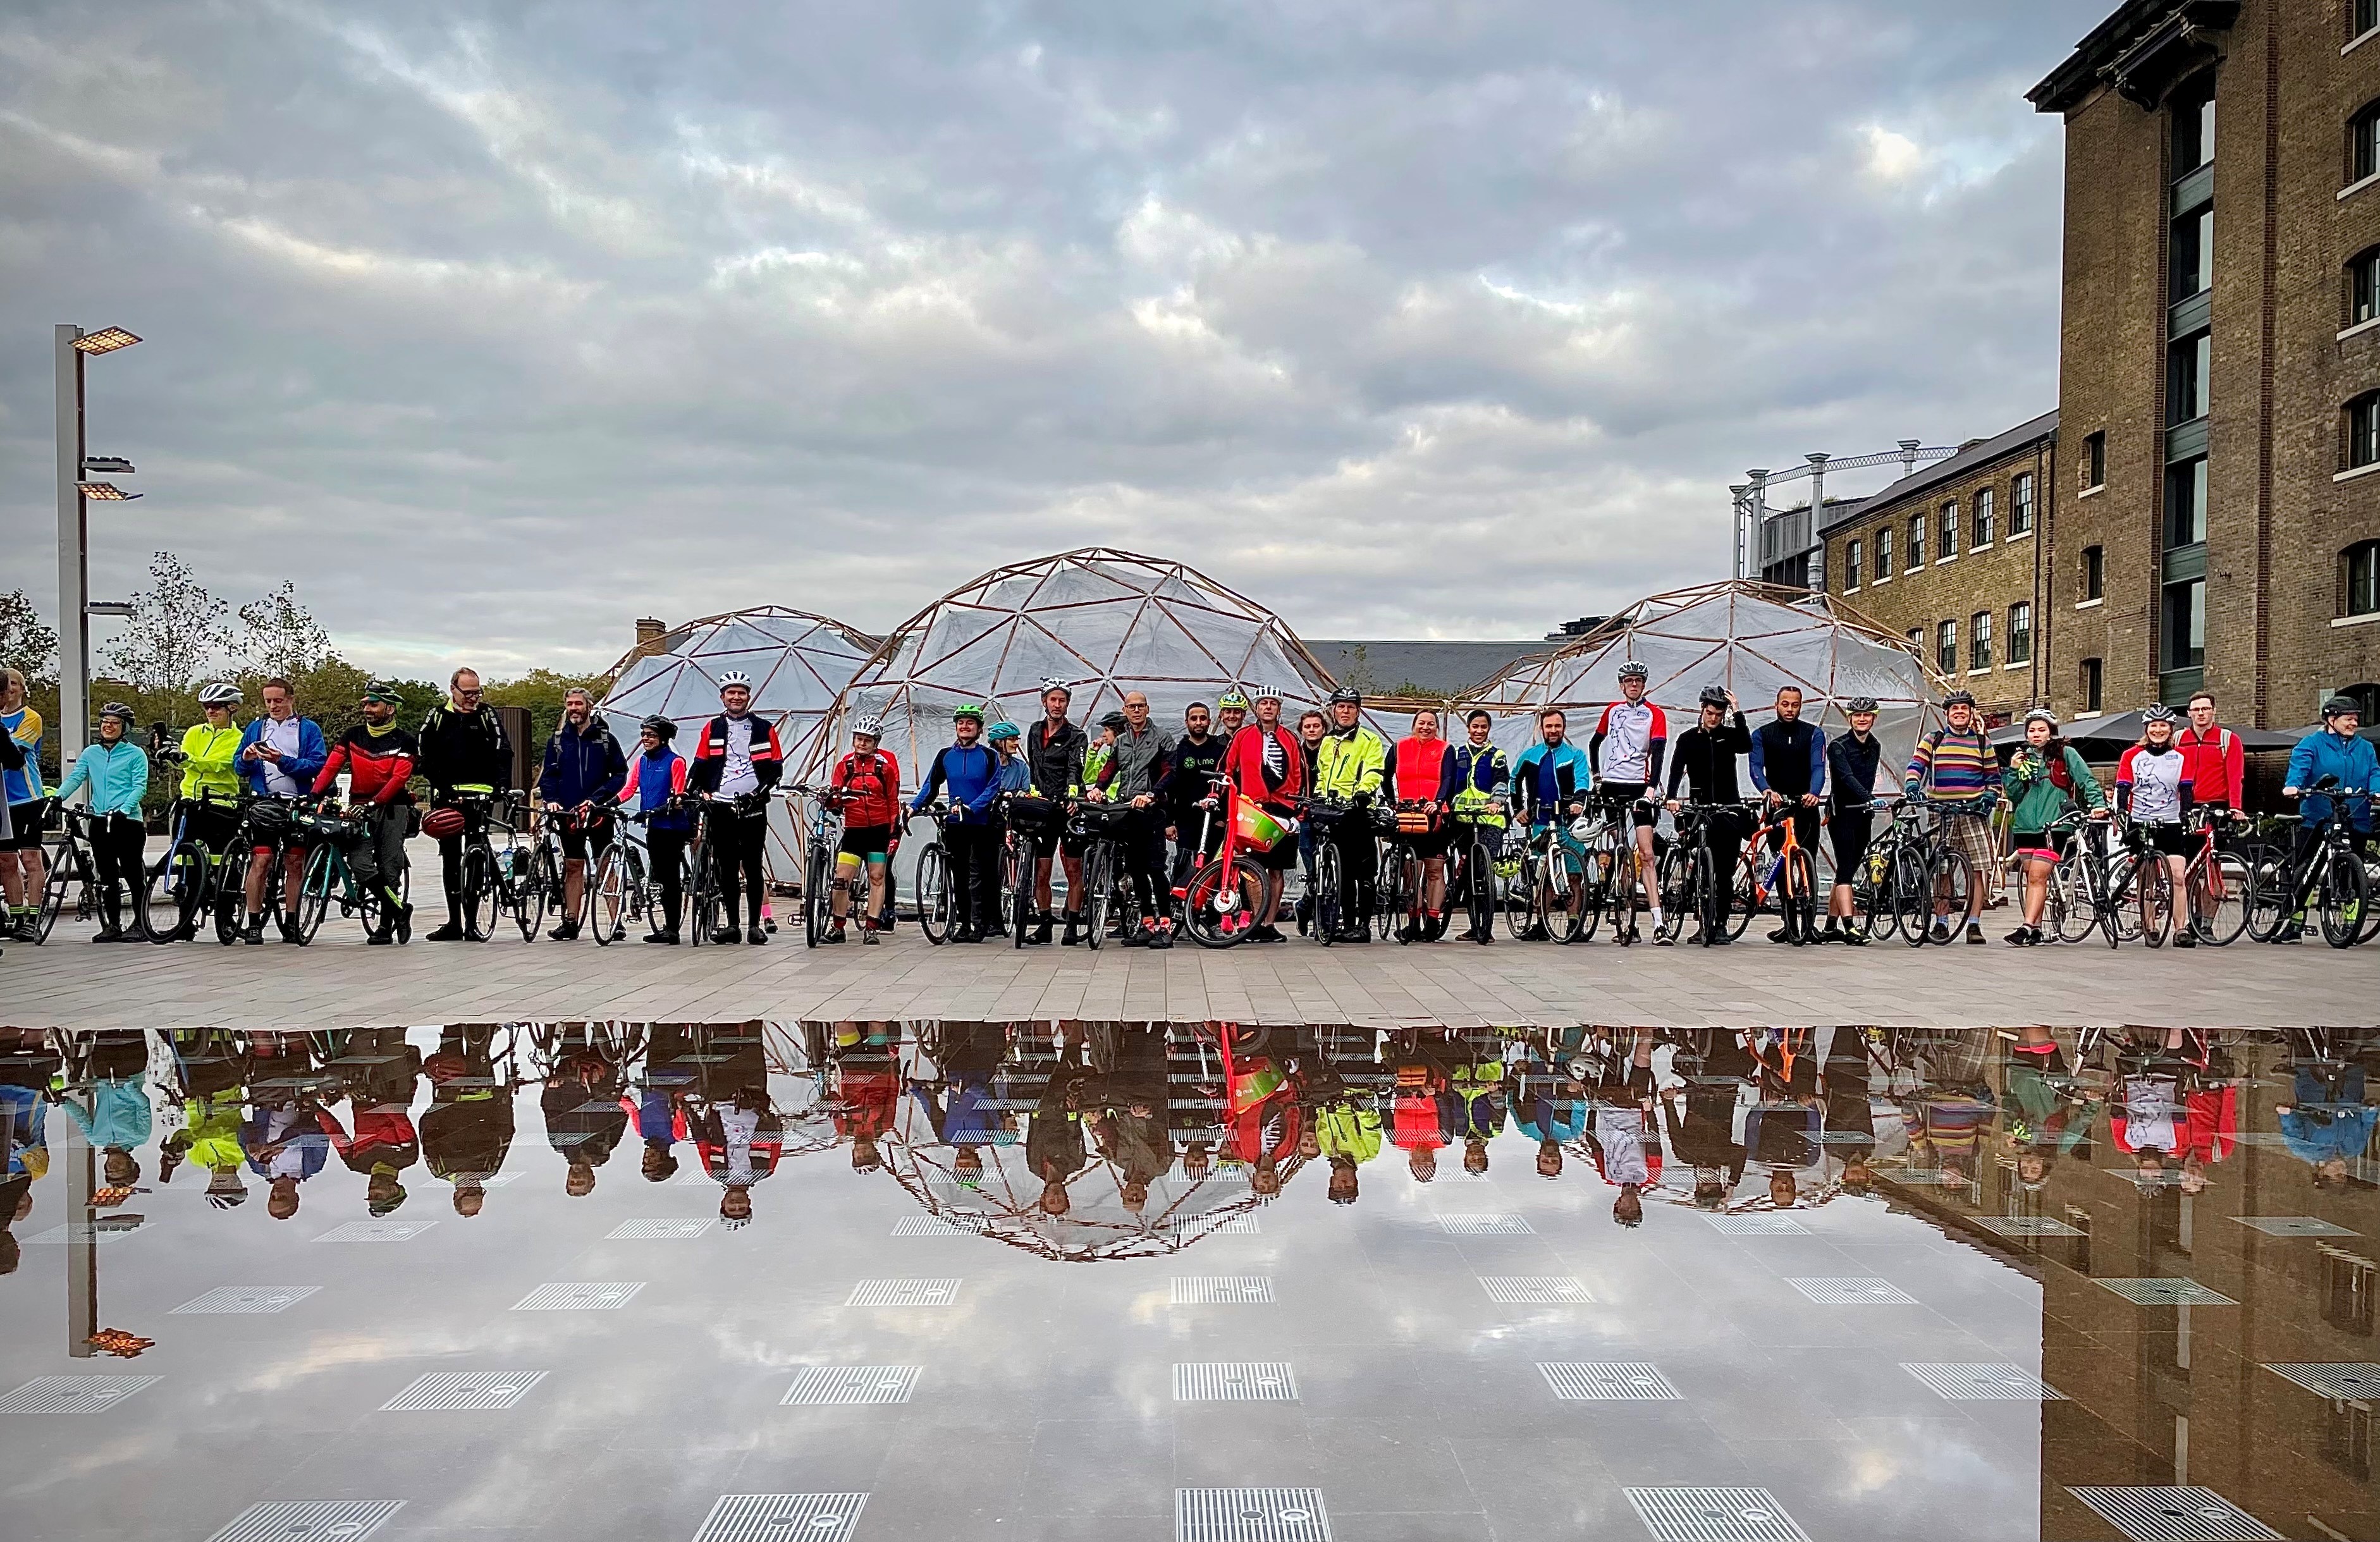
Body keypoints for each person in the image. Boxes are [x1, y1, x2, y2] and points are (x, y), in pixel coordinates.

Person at [313, 682, 420, 945]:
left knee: (389, 865)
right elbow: (331, 768)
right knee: (360, 864)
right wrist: (314, 794)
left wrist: (375, 803)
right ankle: (400, 911)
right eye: (365, 704)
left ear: (391, 709)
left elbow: (398, 778)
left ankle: (385, 927)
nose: (367, 709)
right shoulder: (353, 735)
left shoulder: (406, 741)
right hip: (358, 807)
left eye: (373, 704)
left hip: (393, 807)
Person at [687, 672, 783, 945]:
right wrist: (688, 790)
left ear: (749, 697)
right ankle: (732, 925)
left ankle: (754, 925)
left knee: (753, 865)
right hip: (721, 805)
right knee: (726, 866)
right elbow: (701, 762)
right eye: (731, 692)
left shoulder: (764, 728)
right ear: (723, 697)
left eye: (741, 693)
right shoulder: (713, 728)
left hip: (751, 806)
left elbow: (775, 769)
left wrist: (759, 794)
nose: (736, 697)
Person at [417, 668, 511, 941]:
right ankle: (454, 922)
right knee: (450, 859)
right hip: (447, 796)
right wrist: (444, 788)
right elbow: (424, 756)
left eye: (477, 692)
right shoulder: (437, 716)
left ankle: (472, 922)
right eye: (468, 693)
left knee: (475, 853)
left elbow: (502, 750)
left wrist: (500, 786)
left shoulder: (487, 714)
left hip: (480, 796)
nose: (473, 698)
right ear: (453, 690)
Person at [2276, 695, 2377, 941]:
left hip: (2355, 815)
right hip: (2318, 816)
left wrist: (2376, 791)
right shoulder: (2312, 744)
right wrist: (2293, 786)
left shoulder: (2365, 747)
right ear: (2331, 720)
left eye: (2356, 719)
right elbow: (2299, 767)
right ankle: (2294, 924)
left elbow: (2374, 771)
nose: (2354, 723)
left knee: (2352, 874)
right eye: (2348, 719)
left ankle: (2350, 924)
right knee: (2307, 868)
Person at [1999, 707, 2103, 947]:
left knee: (2037, 875)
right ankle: (2036, 929)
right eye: (2032, 730)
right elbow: (2014, 796)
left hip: (2055, 824)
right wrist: (2014, 772)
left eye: (2041, 730)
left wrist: (2098, 804)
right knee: (2031, 876)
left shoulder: (2066, 754)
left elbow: (2086, 779)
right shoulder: (2022, 759)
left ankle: (2025, 927)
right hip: (2025, 826)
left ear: (2051, 732)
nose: (2036, 734)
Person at [236, 676, 328, 945]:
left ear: (290, 699)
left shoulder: (308, 729)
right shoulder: (256, 728)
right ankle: (254, 923)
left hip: (297, 804)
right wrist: (247, 758)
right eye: (268, 701)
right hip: (264, 803)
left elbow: (316, 765)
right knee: (261, 861)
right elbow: (239, 766)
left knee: (295, 863)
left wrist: (282, 761)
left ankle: (291, 921)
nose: (273, 706)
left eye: (278, 700)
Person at [1903, 690, 1999, 945]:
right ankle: (1942, 923)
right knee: (1942, 870)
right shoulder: (1933, 739)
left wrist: (1989, 796)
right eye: (1954, 710)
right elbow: (1916, 766)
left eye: (1964, 709)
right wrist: (1913, 785)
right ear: (1946, 714)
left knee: (1979, 870)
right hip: (1942, 812)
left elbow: (1994, 779)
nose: (1959, 713)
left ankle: (1974, 925)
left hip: (1973, 812)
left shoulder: (1982, 743)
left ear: (1970, 713)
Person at [535, 687, 629, 941]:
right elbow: (550, 775)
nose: (574, 708)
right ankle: (571, 921)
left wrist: (597, 799)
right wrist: (552, 800)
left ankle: (615, 921)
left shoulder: (606, 739)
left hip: (598, 812)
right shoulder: (557, 741)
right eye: (569, 704)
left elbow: (620, 774)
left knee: (605, 864)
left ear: (589, 705)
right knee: (573, 865)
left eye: (578, 703)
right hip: (568, 813)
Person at [1662, 685, 1752, 944]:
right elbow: (1676, 769)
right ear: (1702, 710)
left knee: (1724, 873)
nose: (1713, 718)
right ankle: (1702, 921)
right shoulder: (1689, 739)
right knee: (1703, 868)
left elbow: (1746, 745)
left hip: (1728, 808)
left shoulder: (1729, 735)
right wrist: (1670, 797)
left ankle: (1721, 923)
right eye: (1710, 713)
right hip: (1700, 809)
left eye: (1719, 714)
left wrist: (1738, 712)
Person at [54, 702, 149, 941]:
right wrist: (57, 797)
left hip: (127, 822)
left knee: (132, 873)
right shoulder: (90, 753)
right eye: (105, 722)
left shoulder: (135, 754)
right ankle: (113, 925)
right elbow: (77, 777)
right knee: (106, 875)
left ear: (125, 727)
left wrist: (125, 809)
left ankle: (141, 924)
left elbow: (139, 786)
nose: (108, 726)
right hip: (99, 820)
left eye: (114, 723)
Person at [911, 704, 1003, 943]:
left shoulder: (989, 756)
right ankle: (964, 924)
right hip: (955, 822)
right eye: (961, 722)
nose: (964, 726)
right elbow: (931, 786)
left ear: (979, 729)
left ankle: (984, 923)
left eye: (970, 723)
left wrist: (973, 807)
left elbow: (993, 788)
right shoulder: (945, 756)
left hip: (982, 822)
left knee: (984, 873)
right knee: (958, 875)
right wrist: (913, 807)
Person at [1221, 684, 1305, 941]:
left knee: (1277, 869)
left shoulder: (1291, 739)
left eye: (1273, 703)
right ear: (1256, 709)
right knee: (1253, 866)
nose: (1268, 707)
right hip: (1253, 806)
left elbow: (1301, 774)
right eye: (1263, 703)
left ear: (1279, 708)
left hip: (1283, 807)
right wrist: (1220, 799)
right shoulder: (1243, 736)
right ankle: (1256, 921)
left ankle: (1269, 923)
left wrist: (1299, 810)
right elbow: (1227, 768)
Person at [1589, 660, 1668, 933]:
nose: (1634, 685)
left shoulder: (1654, 714)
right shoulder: (1611, 711)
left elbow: (1658, 751)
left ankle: (1659, 921)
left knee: (1646, 853)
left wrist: (1652, 787)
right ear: (1622, 685)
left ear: (1644, 685)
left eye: (1638, 681)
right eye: (1629, 681)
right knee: (1620, 848)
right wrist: (1597, 776)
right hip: (1612, 785)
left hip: (1639, 785)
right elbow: (1594, 743)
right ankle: (1625, 912)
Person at [1748, 685, 1826, 943]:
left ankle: (1809, 924)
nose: (1790, 709)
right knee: (1781, 866)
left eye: (1794, 705)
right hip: (1778, 807)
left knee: (1808, 864)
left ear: (1800, 706)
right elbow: (1756, 767)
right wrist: (1767, 790)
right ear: (1777, 705)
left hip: (1805, 807)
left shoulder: (1813, 734)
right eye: (1785, 704)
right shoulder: (1762, 734)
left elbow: (1818, 767)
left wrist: (1814, 792)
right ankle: (1788, 922)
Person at [2114, 704, 2195, 946]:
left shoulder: (2181, 757)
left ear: (2171, 730)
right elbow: (2124, 786)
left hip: (2170, 820)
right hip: (2141, 820)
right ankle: (2150, 925)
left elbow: (2186, 788)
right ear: (2146, 729)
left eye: (2163, 726)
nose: (2158, 730)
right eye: (2153, 726)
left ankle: (2181, 929)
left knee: (2179, 876)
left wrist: (2187, 813)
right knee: (2147, 878)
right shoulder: (2132, 755)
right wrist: (2121, 811)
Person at [1311, 687, 1387, 942]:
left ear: (1358, 711)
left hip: (1359, 810)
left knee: (1364, 872)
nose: (1345, 711)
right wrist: (1320, 794)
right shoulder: (1328, 741)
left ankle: (1364, 927)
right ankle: (1348, 924)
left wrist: (1364, 792)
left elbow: (1374, 770)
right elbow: (1322, 773)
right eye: (1341, 706)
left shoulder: (1369, 740)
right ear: (1333, 710)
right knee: (1342, 870)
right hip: (1334, 811)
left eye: (1351, 707)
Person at [1512, 707, 1595, 938]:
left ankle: (1574, 923)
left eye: (1557, 726)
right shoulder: (1530, 755)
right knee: (1545, 876)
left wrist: (1578, 802)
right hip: (1540, 821)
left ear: (1564, 728)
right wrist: (1518, 808)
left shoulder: (1575, 754)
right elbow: (1514, 781)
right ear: (1542, 729)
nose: (1553, 730)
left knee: (1574, 875)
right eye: (1549, 726)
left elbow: (1582, 781)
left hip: (1568, 822)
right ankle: (1541, 923)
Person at [825, 713, 900, 945]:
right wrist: (833, 799)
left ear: (876, 742)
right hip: (854, 829)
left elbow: (892, 800)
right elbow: (836, 794)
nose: (862, 743)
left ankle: (872, 927)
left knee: (877, 877)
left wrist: (894, 832)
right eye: (859, 738)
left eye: (868, 739)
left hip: (878, 829)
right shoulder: (845, 766)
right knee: (841, 879)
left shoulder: (884, 768)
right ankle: (838, 927)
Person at [1024, 678, 1088, 945]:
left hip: (1067, 807)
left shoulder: (1077, 735)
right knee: (1042, 870)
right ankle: (1045, 923)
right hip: (1043, 806)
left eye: (1062, 700)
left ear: (1068, 704)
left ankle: (1072, 924)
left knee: (1074, 869)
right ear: (1044, 702)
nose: (1057, 705)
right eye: (1053, 700)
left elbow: (1076, 768)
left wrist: (1072, 795)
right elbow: (1034, 767)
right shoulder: (1034, 731)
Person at [1109, 691, 1175, 945]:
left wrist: (1152, 794)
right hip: (1129, 811)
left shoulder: (1162, 738)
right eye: (1131, 707)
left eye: (1141, 706)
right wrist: (1097, 789)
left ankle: (1165, 928)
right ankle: (1147, 924)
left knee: (1156, 869)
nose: (1136, 711)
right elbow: (1109, 769)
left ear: (1147, 709)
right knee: (1135, 870)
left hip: (1153, 811)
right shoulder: (1121, 741)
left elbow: (1171, 771)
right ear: (1125, 710)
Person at [619, 715, 692, 943]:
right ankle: (663, 925)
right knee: (659, 871)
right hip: (652, 824)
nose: (645, 739)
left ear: (663, 738)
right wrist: (610, 803)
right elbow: (630, 788)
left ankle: (672, 929)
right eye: (643, 735)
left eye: (650, 735)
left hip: (672, 825)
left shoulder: (675, 762)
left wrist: (659, 809)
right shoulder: (642, 762)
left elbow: (679, 795)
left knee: (669, 876)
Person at [1390, 709, 1461, 939]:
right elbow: (1384, 775)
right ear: (1414, 725)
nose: (1426, 727)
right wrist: (1392, 802)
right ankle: (1413, 920)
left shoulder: (1445, 749)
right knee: (1410, 871)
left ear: (1437, 728)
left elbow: (1449, 779)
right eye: (1422, 722)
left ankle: (1432, 920)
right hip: (1408, 815)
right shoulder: (1400, 747)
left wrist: (1439, 802)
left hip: (1435, 816)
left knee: (1434, 871)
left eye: (1431, 723)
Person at [1820, 696, 1884, 945]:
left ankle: (1829, 927)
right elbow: (1846, 778)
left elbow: (1867, 776)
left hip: (1863, 813)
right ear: (1850, 718)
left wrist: (1869, 801)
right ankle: (1850, 927)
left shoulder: (1874, 745)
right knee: (1846, 868)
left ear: (1874, 718)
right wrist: (1869, 797)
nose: (1862, 719)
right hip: (1843, 812)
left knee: (1848, 868)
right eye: (1857, 715)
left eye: (1867, 715)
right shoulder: (1838, 747)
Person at [1450, 709, 1511, 943]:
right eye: (1475, 726)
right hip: (1463, 819)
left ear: (1489, 729)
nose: (1479, 731)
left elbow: (1501, 780)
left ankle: (1486, 927)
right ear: (1468, 728)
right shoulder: (1458, 753)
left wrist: (1497, 802)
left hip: (1490, 820)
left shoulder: (1497, 755)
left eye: (1483, 727)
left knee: (1484, 870)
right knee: (1467, 869)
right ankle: (1473, 924)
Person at [177, 681, 248, 869]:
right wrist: (169, 757)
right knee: (186, 857)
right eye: (207, 707)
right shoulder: (194, 732)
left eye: (216, 707)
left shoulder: (239, 738)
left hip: (221, 803)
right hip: (190, 800)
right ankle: (190, 893)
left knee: (221, 858)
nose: (210, 711)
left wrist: (188, 760)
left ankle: (223, 894)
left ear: (231, 708)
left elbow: (221, 765)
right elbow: (182, 763)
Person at [0, 668, 46, 940]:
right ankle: (17, 916)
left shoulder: (31, 718)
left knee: (30, 859)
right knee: (6, 861)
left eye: (17, 684)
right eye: (9, 684)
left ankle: (35, 916)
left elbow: (13, 753)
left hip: (27, 798)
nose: (12, 689)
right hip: (2, 800)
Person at [1162, 701, 1226, 891]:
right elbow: (1169, 789)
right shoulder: (1178, 751)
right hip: (1185, 822)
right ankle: (1182, 910)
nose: (1199, 722)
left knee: (1214, 869)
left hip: (1215, 821)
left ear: (1210, 721)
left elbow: (1227, 785)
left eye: (1203, 718)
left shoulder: (1219, 750)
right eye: (1194, 719)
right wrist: (1169, 822)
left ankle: (1213, 914)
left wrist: (1223, 818)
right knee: (1186, 867)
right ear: (1186, 722)